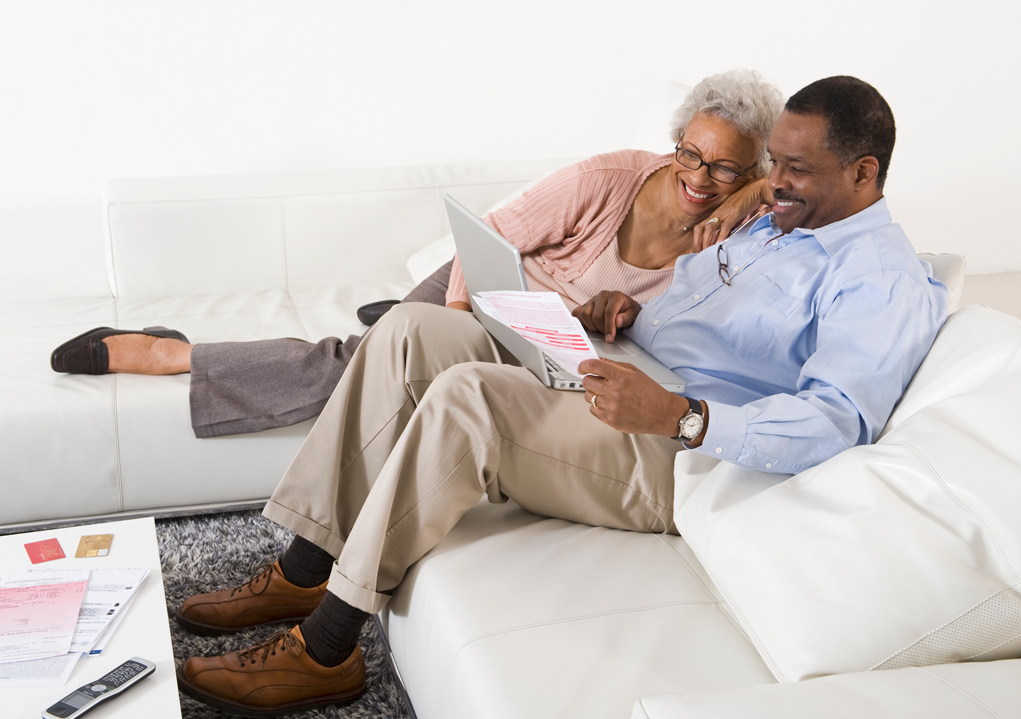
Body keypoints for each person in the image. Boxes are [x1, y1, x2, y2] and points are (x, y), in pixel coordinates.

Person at [172, 75, 950, 717]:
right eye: (772, 163)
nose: (775, 182)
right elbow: (722, 314)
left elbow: (835, 421)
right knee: (411, 330)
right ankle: (305, 564)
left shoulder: (878, 279)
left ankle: (327, 648)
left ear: (866, 174)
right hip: (616, 368)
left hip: (677, 451)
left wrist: (682, 415)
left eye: (796, 169)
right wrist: (623, 312)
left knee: (469, 398)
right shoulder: (776, 220)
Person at [49, 69, 782, 439]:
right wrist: (454, 318)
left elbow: (801, 193)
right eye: (692, 154)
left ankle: (391, 318)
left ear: (754, 171)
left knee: (388, 351)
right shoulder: (610, 178)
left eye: (727, 170)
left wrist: (755, 195)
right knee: (356, 365)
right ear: (674, 142)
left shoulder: (738, 236)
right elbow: (490, 234)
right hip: (485, 290)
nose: (701, 179)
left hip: (551, 343)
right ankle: (169, 352)